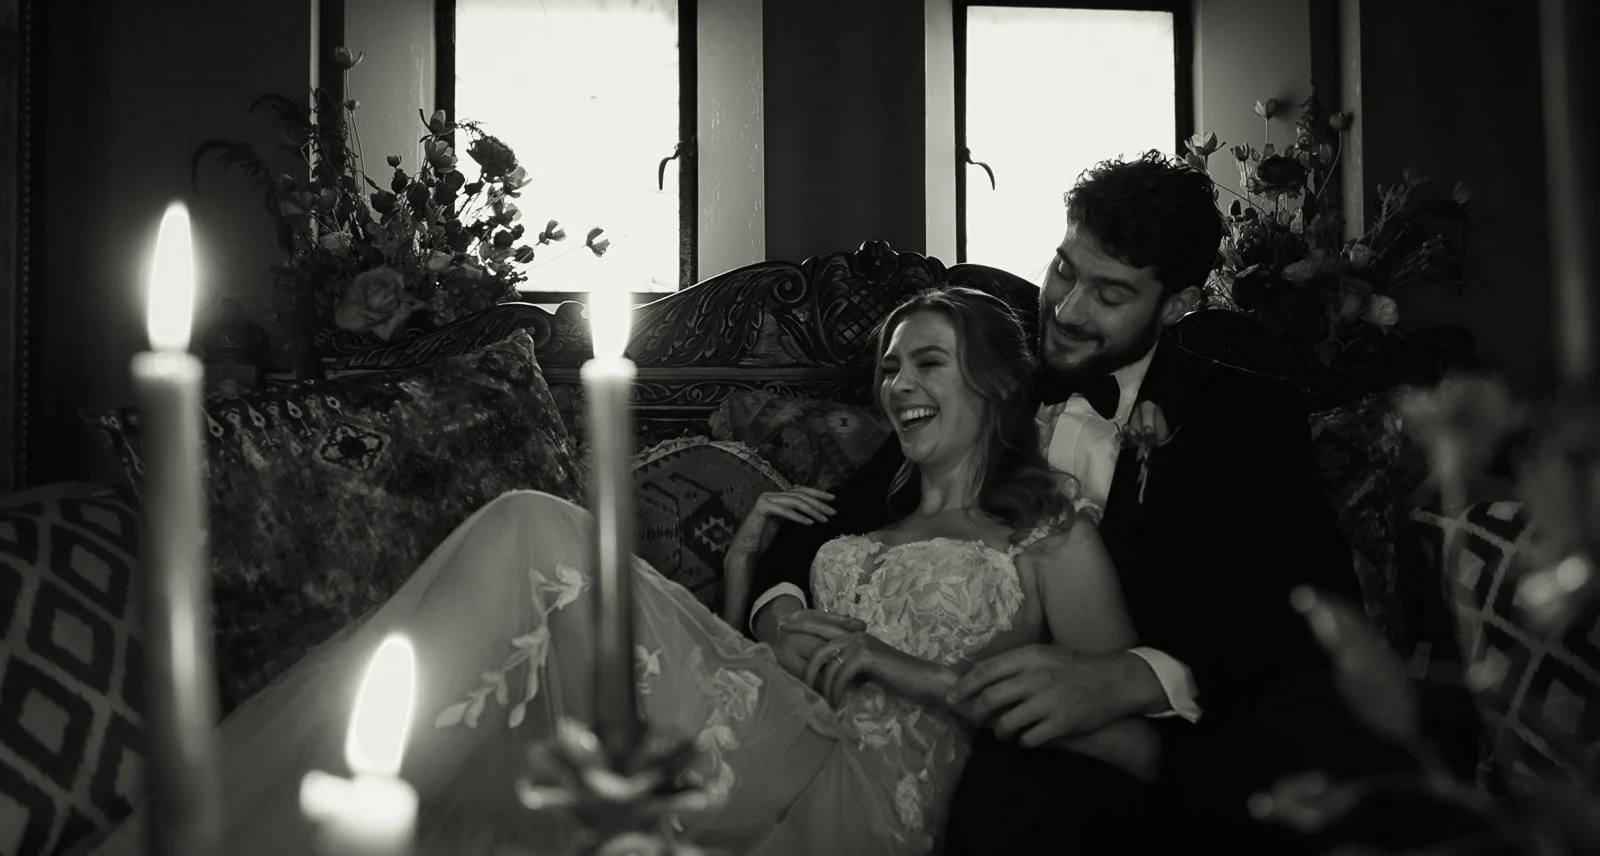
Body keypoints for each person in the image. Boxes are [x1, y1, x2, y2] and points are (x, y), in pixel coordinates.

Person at [88, 288, 1140, 856]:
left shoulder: (1049, 534)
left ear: (995, 383)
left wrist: (898, 670)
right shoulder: (865, 516)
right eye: (885, 366)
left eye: (924, 362)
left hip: (858, 791)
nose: (895, 385)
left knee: (535, 533)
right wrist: (742, 576)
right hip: (771, 720)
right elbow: (758, 650)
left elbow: (1137, 748)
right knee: (526, 543)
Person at [741, 151, 1398, 853]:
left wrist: (1132, 679)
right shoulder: (990, 381)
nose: (1067, 308)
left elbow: (1315, 615)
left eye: (1110, 295)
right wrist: (779, 617)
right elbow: (818, 525)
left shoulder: (1245, 414)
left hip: (1143, 750)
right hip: (946, 727)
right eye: (1063, 269)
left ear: (1177, 303)